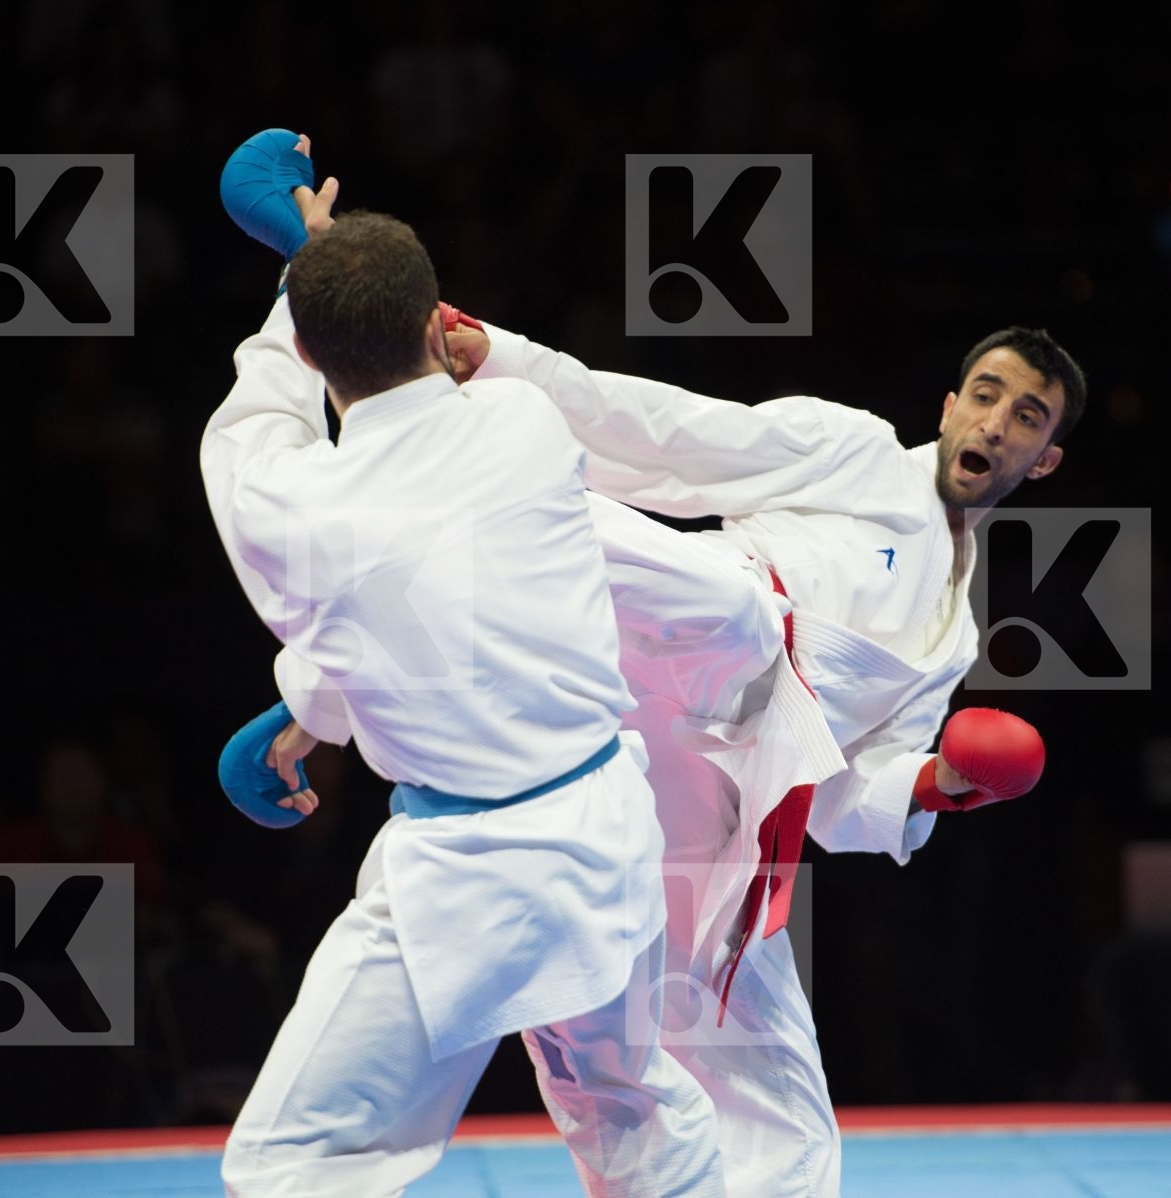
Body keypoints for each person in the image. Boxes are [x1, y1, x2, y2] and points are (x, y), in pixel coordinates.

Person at [246, 141, 1071, 1197]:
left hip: (708, 804)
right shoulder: (859, 452)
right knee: (618, 550)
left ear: (1044, 459)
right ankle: (334, 298)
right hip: (680, 629)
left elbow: (838, 789)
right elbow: (676, 437)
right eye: (989, 396)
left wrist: (929, 785)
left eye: (1028, 418)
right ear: (952, 401)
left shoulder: (952, 639)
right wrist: (498, 353)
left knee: (775, 1118)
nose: (998, 424)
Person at [201, 132, 722, 1198]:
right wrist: (313, 704)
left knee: (291, 1166)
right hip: (607, 822)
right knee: (629, 1114)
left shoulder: (291, 503)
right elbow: (428, 602)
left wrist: (298, 253)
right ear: (441, 325)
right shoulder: (527, 423)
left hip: (471, 868)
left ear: (307, 351)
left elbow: (277, 428)